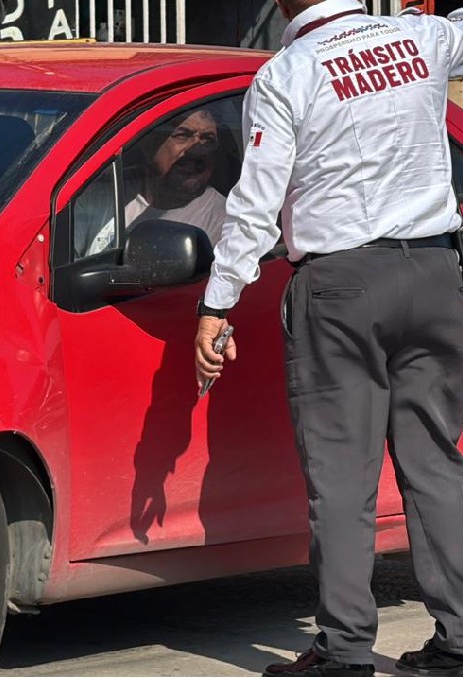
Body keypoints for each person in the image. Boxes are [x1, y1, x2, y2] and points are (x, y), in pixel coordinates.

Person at [194, 1, 463, 675]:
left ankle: (344, 649)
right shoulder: (423, 36)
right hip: (436, 271)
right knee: (435, 463)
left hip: (340, 286)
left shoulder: (288, 73)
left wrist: (218, 301)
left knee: (342, 477)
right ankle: (460, 638)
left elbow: (255, 204)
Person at [84, 108, 227, 256]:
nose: (196, 150)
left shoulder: (227, 223)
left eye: (208, 139)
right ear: (149, 143)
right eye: (183, 135)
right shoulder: (103, 191)